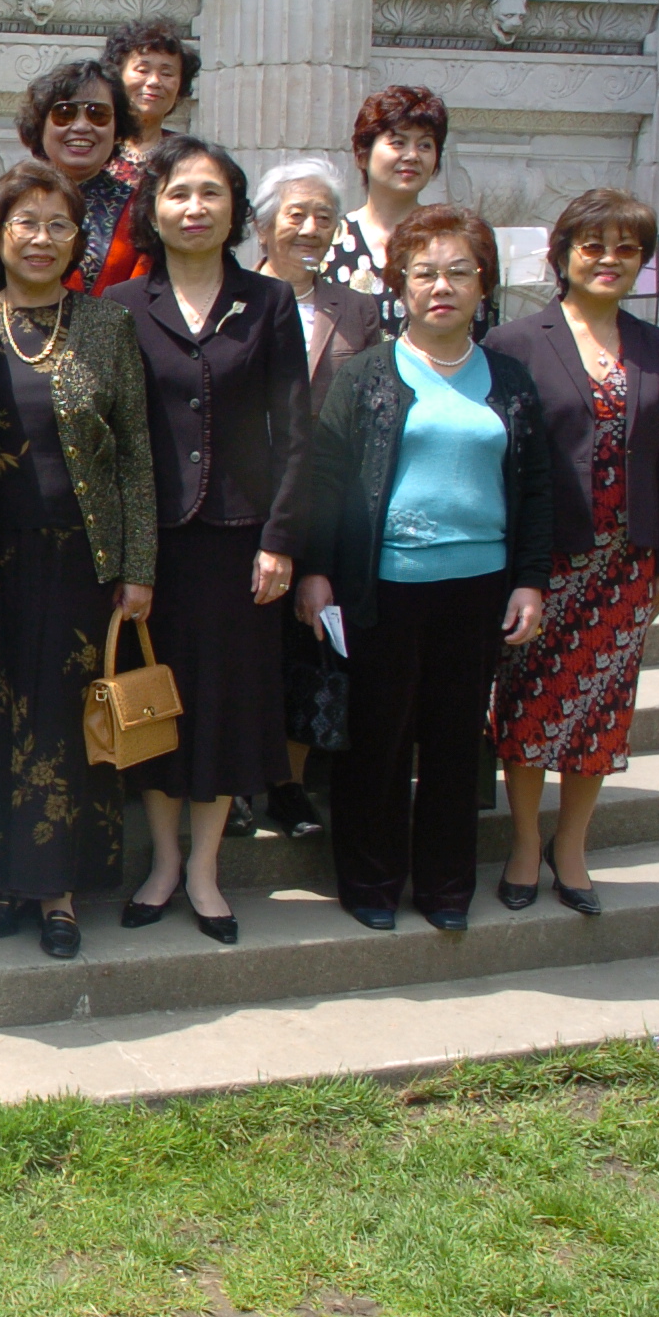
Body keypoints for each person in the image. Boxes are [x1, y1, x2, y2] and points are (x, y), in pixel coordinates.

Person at [298, 205, 551, 931]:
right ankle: (370, 883)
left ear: (483, 284)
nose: (442, 287)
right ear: (400, 285)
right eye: (425, 273)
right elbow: (326, 478)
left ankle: (446, 888)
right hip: (383, 589)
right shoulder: (368, 374)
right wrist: (315, 570)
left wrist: (530, 580)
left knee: (454, 743)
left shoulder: (509, 378)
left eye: (459, 272)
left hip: (478, 590)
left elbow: (536, 487)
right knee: (377, 740)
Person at [0, 161, 156, 960]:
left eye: (59, 225)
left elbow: (135, 455)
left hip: (83, 561)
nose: (41, 239)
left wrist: (139, 566)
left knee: (70, 723)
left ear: (78, 240)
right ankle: (2, 881)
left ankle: (60, 892)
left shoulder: (106, 326)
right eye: (26, 223)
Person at [108, 136, 309, 946]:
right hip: (152, 546)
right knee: (155, 703)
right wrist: (124, 552)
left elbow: (295, 429)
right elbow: (114, 436)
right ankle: (162, 862)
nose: (194, 208)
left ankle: (204, 869)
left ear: (235, 210)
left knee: (224, 707)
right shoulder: (123, 304)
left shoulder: (269, 302)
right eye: (178, 193)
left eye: (211, 194)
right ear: (154, 210)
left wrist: (281, 538)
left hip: (238, 541)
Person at [488, 189, 659, 916]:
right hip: (546, 562)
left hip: (626, 562)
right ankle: (523, 843)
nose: (610, 260)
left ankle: (570, 846)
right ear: (563, 254)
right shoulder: (515, 341)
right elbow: (502, 458)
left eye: (627, 249)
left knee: (602, 711)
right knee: (528, 706)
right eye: (594, 246)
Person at [251, 157, 383, 842]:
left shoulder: (355, 310)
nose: (309, 228)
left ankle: (289, 784)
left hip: (323, 502)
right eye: (295, 214)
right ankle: (234, 779)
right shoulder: (233, 297)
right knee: (239, 647)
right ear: (262, 225)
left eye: (323, 217)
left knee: (309, 646)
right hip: (243, 500)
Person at [321, 86, 457, 336]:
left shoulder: (456, 241)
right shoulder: (329, 241)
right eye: (398, 143)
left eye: (425, 145)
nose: (412, 155)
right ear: (362, 155)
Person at [16, 61, 143, 296]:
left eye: (98, 114)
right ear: (40, 125)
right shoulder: (8, 203)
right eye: (65, 113)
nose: (82, 126)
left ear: (117, 129)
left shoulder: (140, 212)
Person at [100, 19, 199, 179]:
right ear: (116, 76)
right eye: (143, 70)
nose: (154, 81)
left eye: (166, 73)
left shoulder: (189, 156)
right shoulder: (94, 146)